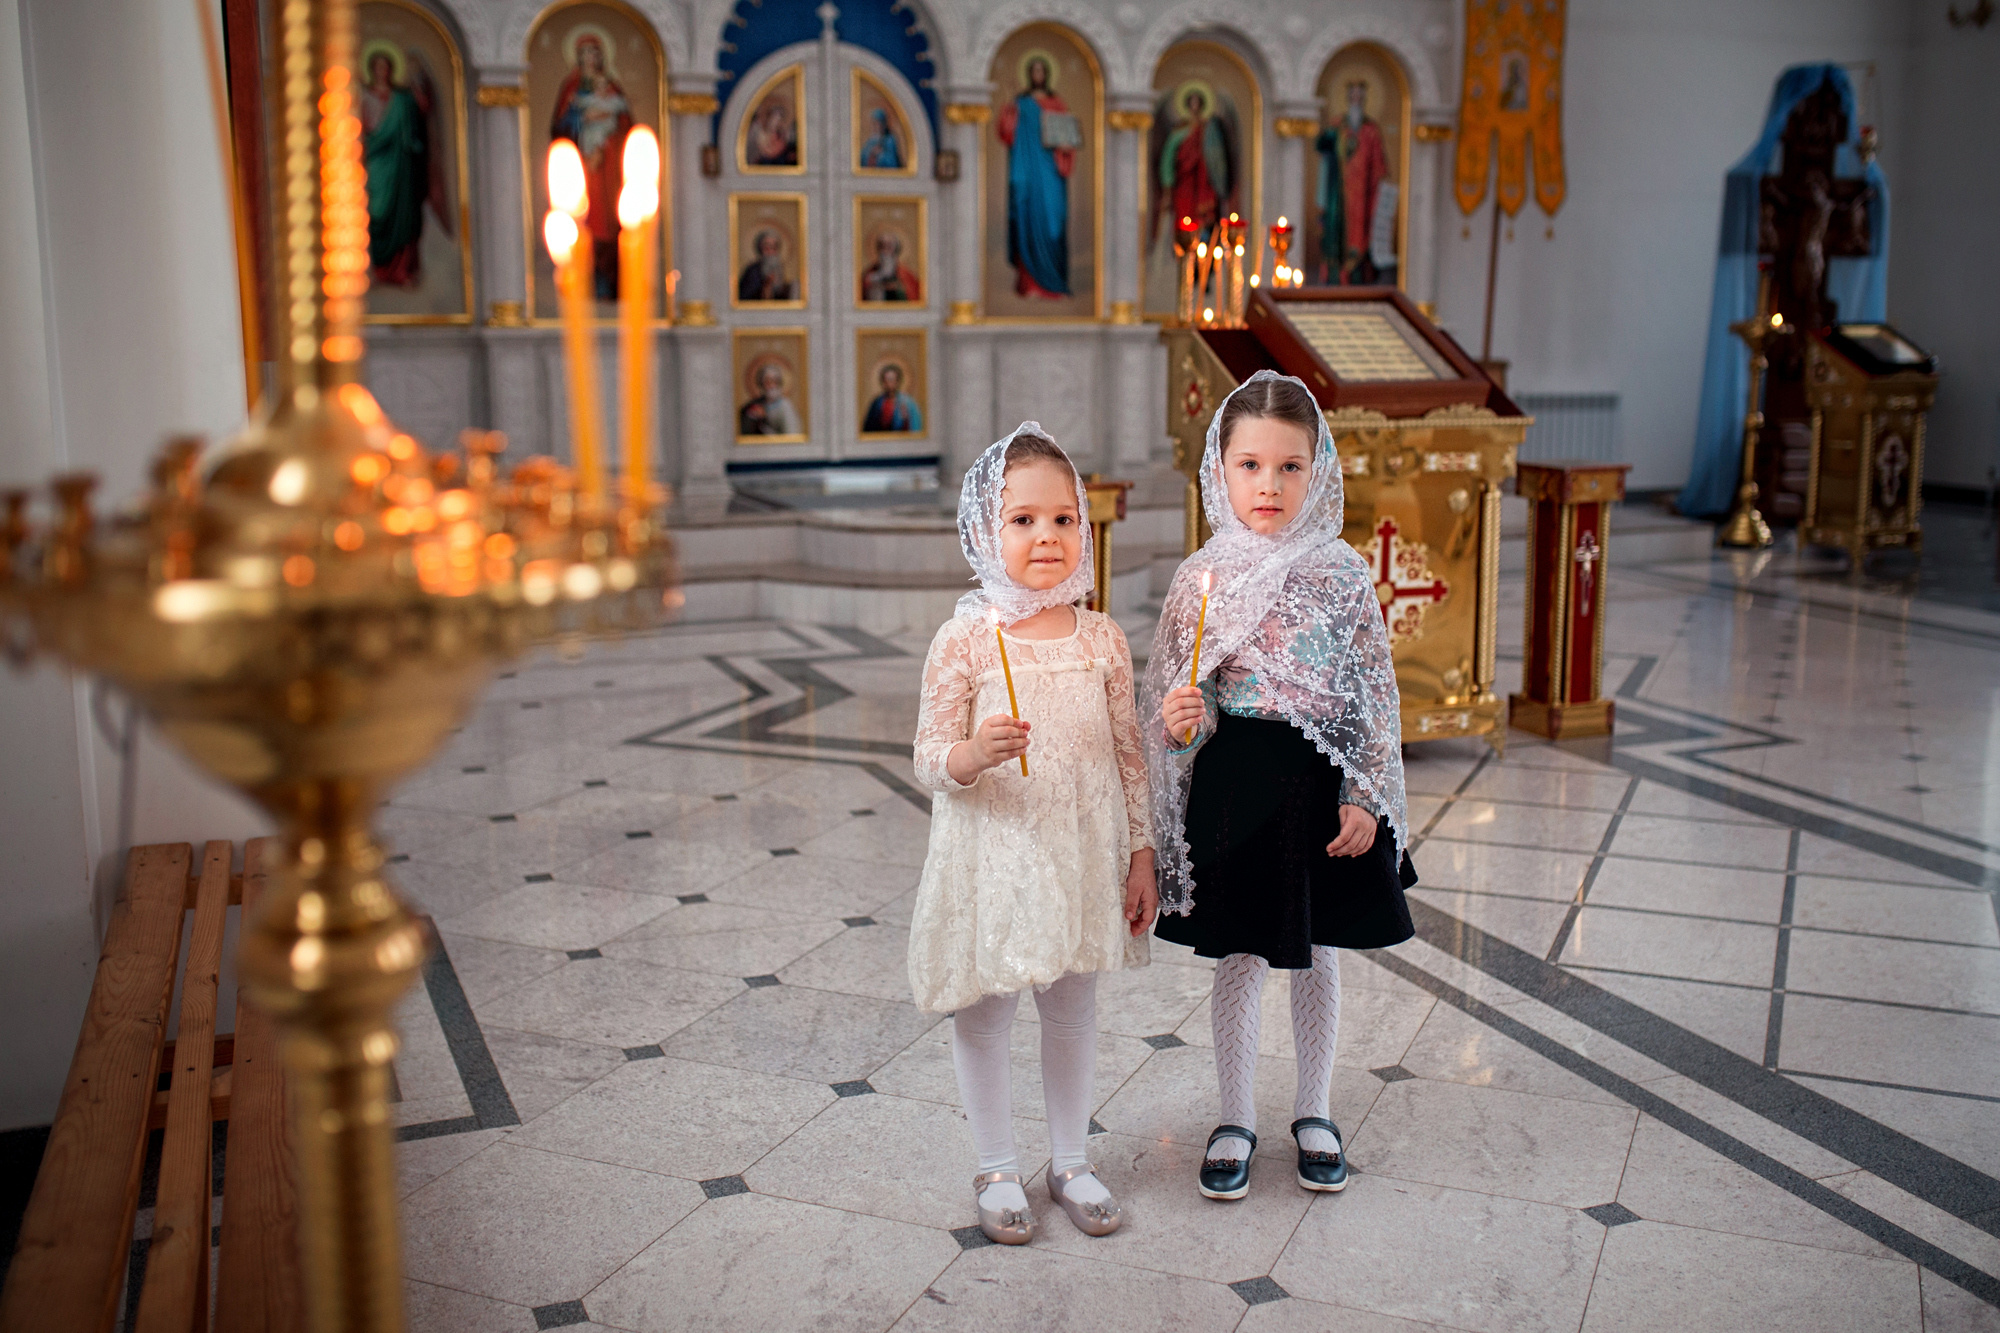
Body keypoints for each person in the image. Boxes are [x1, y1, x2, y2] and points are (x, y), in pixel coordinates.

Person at [1142, 369, 1417, 1203]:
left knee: (1317, 950)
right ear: (1219, 471)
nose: (1269, 485)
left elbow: (1373, 692)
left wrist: (1365, 794)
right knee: (1241, 955)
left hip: (1319, 784)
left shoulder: (1339, 574)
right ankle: (1233, 1115)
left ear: (1319, 470)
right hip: (1237, 785)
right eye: (1251, 465)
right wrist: (1182, 716)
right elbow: (1181, 707)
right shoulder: (1203, 575)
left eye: (1290, 467)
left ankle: (1314, 1109)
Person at [908, 425, 1158, 1244]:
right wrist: (973, 754)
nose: (1044, 537)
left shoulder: (1102, 639)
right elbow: (926, 756)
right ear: (987, 531)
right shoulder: (967, 639)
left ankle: (1070, 1157)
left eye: (1061, 520)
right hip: (993, 854)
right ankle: (994, 1163)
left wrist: (1142, 853)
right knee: (986, 1007)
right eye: (1022, 520)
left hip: (1077, 854)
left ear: (1082, 528)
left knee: (1072, 1001)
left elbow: (1130, 756)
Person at [549, 35, 632, 298]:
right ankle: (587, 280)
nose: (590, 59)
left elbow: (627, 126)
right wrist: (581, 121)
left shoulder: (613, 89)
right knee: (587, 221)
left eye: (594, 53)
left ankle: (612, 280)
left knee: (609, 221)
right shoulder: (571, 88)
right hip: (583, 165)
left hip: (608, 165)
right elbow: (559, 127)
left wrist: (606, 144)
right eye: (584, 53)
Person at [359, 44, 448, 287]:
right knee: (375, 213)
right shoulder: (363, 95)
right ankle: (375, 270)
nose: (381, 72)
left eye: (385, 67)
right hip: (376, 164)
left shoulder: (402, 98)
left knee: (403, 217)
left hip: (400, 167)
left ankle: (401, 271)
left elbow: (423, 108)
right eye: (377, 67)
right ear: (371, 70)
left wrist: (420, 80)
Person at [995, 55, 1076, 299]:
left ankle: (1053, 281)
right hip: (1027, 171)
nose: (1038, 75)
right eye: (1034, 71)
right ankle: (1029, 284)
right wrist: (1010, 109)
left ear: (1047, 74)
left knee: (1053, 223)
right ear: (1030, 74)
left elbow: (1068, 139)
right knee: (1027, 221)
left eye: (1042, 71)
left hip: (1050, 174)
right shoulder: (1020, 102)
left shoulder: (1056, 104)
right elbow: (1007, 134)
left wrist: (1065, 144)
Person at [1315, 80, 1387, 284]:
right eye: (1352, 95)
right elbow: (1321, 146)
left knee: (1360, 234)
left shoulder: (1371, 130)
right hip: (1338, 193)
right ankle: (1335, 275)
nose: (1356, 99)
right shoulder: (1338, 125)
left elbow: (1379, 166)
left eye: (1360, 95)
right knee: (1336, 232)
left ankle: (1357, 275)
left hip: (1362, 195)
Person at [737, 361, 801, 436]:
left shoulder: (785, 405)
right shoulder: (756, 404)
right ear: (761, 383)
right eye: (767, 381)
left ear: (779, 383)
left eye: (774, 381)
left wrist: (765, 418)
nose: (770, 385)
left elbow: (791, 434)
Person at [859, 229, 920, 303]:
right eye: (882, 246)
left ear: (896, 249)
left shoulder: (906, 274)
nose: (885, 250)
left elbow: (913, 295)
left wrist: (897, 288)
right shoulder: (870, 272)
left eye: (889, 246)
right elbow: (861, 294)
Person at [736, 229, 797, 302]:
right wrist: (766, 286)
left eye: (773, 247)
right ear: (760, 248)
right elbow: (745, 296)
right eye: (766, 246)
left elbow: (780, 295)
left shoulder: (779, 268)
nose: (770, 250)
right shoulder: (752, 270)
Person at [860, 364, 922, 433]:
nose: (887, 383)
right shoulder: (877, 403)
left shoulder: (908, 403)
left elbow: (915, 428)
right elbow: (868, 429)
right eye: (885, 380)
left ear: (897, 381)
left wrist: (906, 419)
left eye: (891, 380)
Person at [745, 96, 797, 167]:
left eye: (779, 116)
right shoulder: (760, 132)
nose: (775, 120)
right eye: (773, 116)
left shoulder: (785, 134)